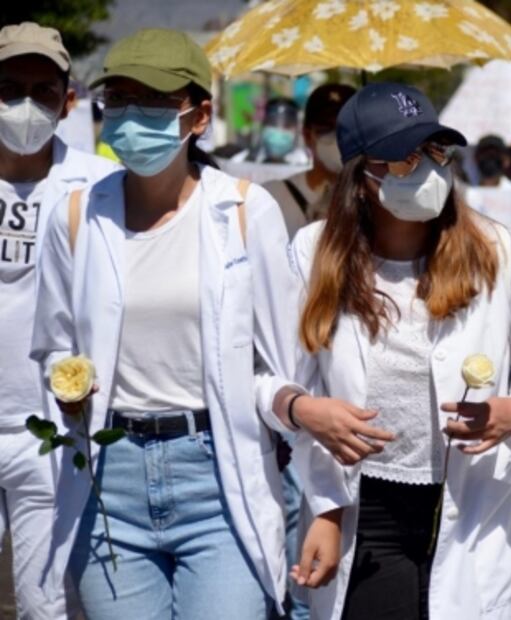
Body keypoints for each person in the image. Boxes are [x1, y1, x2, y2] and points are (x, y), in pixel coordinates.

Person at [29, 29, 312, 618]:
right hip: (112, 481)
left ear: (199, 115)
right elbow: (54, 343)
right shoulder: (76, 217)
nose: (131, 118)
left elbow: (283, 360)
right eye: (120, 101)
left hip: (217, 479)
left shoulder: (243, 210)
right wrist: (68, 383)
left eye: (152, 103)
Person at [283, 82, 511, 620]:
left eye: (435, 152)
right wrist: (325, 503)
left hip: (475, 510)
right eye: (402, 159)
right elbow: (277, 381)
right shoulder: (312, 255)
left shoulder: (498, 252)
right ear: (360, 175)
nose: (426, 169)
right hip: (366, 515)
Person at [0, 21, 118, 619]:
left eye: (41, 90)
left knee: (47, 604)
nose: (24, 104)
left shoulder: (100, 188)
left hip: (49, 431)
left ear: (67, 100)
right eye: (8, 87)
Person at [264, 83, 355, 237]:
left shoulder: (373, 199)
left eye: (347, 129)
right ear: (307, 136)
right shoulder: (272, 198)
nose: (338, 138)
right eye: (326, 128)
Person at [464, 134, 511, 237]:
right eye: (485, 153)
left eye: (494, 154)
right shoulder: (466, 196)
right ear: (476, 158)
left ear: (506, 160)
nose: (489, 157)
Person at [232, 97, 309, 166]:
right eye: (272, 123)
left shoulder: (306, 164)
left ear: (297, 128)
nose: (279, 131)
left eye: (287, 126)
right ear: (263, 125)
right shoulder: (242, 161)